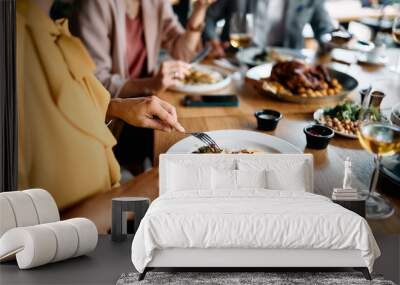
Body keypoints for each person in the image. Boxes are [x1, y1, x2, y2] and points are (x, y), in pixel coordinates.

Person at [16, 0, 185, 209]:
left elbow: (60, 107)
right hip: (94, 235)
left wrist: (115, 107)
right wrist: (129, 196)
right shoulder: (16, 49)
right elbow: (17, 234)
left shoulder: (45, 29)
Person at [70, 0, 214, 98]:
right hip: (111, 120)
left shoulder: (155, 2)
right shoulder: (95, 4)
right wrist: (151, 84)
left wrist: (200, 8)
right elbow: (95, 83)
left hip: (146, 103)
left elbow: (183, 53)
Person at [204, 0, 334, 58]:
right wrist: (212, 40)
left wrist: (331, 40)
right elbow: (207, 16)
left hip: (290, 63)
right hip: (237, 62)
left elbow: (324, 27)